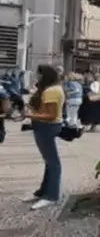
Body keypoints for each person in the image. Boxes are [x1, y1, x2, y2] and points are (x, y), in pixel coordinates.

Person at [23, 64, 64, 210]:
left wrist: (29, 115)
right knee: (49, 161)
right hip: (44, 126)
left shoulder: (52, 91)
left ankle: (51, 195)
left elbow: (50, 115)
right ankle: (44, 192)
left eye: (39, 74)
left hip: (47, 127)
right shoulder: (51, 89)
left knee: (53, 162)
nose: (37, 76)